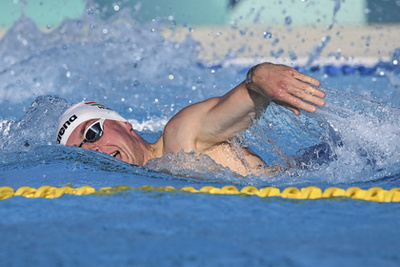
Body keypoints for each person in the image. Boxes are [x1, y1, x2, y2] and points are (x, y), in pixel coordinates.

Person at [56, 62, 325, 176]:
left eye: (91, 133)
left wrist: (258, 77)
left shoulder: (179, 136)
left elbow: (229, 107)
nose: (92, 149)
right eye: (81, 152)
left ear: (125, 124)